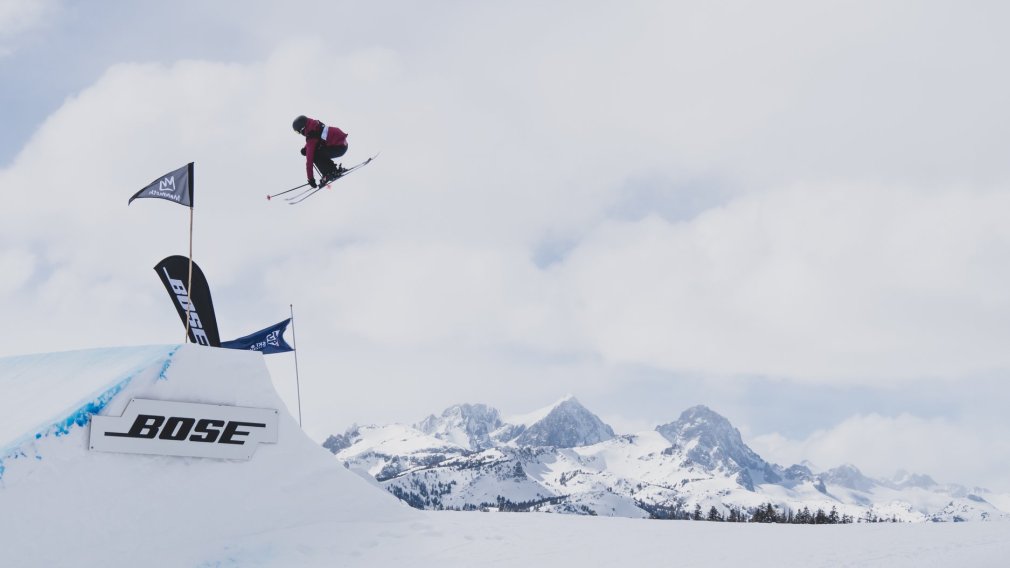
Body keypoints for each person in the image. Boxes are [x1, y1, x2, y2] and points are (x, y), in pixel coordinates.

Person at [293, 115, 348, 187]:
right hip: (342, 144)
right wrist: (305, 148)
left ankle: (329, 173)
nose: (300, 134)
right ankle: (332, 170)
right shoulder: (314, 124)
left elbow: (309, 160)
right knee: (318, 150)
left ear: (302, 128)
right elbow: (316, 138)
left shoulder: (311, 136)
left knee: (315, 155)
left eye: (298, 132)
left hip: (339, 147)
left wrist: (311, 179)